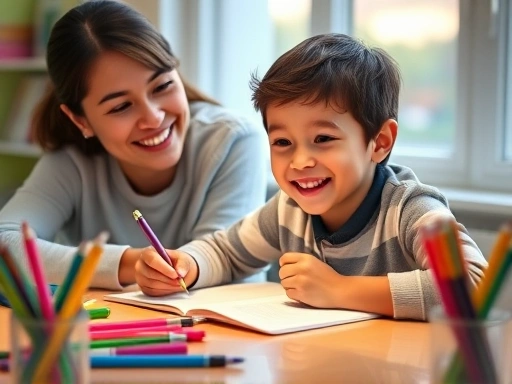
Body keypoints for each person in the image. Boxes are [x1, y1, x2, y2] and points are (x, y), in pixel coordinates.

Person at [134, 33, 488, 321]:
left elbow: (472, 286)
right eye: (283, 142)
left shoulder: (410, 210)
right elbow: (226, 252)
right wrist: (188, 264)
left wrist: (339, 290)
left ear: (379, 143)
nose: (301, 161)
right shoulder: (287, 211)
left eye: (323, 139)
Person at [0, 0, 268, 290]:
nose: (153, 118)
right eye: (121, 107)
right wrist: (128, 263)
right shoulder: (72, 162)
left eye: (162, 86)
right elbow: (5, 243)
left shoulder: (233, 141)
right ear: (81, 120)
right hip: (110, 329)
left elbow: (227, 260)